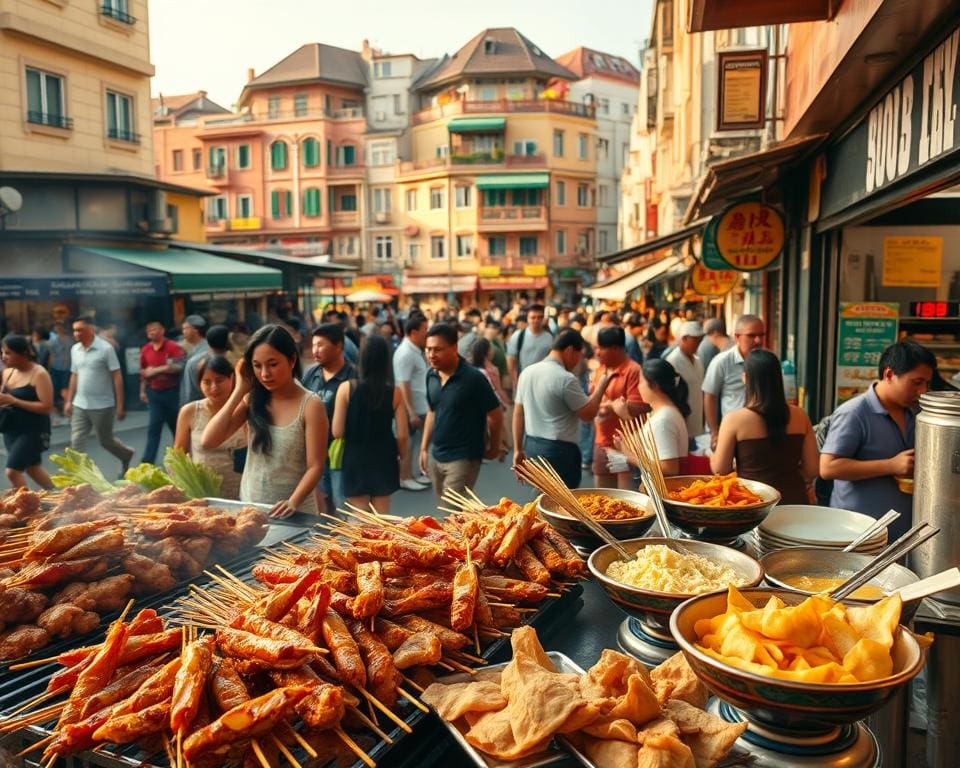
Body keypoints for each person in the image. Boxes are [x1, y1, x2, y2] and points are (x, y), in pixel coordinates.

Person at [202, 324, 328, 517]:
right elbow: (209, 440)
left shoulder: (311, 405)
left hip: (296, 514)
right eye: (257, 366)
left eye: (273, 364)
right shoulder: (252, 399)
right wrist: (239, 390)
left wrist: (293, 502)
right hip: (251, 508)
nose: (264, 374)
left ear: (292, 360)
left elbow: (316, 465)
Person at [820, 341, 935, 538]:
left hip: (903, 532)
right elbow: (828, 468)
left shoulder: (915, 413)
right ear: (889, 374)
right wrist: (891, 465)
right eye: (916, 383)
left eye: (926, 383)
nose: (923, 391)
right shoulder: (854, 413)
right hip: (858, 534)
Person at [711, 349, 818, 504]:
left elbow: (720, 469)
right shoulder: (800, 416)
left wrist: (712, 456)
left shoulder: (733, 420)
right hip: (794, 501)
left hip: (753, 505)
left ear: (745, 378)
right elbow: (813, 469)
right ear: (778, 378)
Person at [513, 329, 613, 488]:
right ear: (569, 350)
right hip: (559, 451)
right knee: (563, 505)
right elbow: (588, 414)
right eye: (579, 356)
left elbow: (518, 413)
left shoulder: (527, 372)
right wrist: (602, 384)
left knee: (543, 498)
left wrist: (518, 449)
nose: (578, 362)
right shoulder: (565, 379)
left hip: (531, 445)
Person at [420, 323, 503, 498]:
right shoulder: (431, 375)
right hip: (436, 456)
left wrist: (494, 447)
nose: (431, 355)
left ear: (454, 348)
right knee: (445, 513)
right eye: (428, 349)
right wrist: (424, 448)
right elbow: (432, 411)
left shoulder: (474, 379)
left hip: (463, 458)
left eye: (437, 349)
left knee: (451, 515)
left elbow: (495, 414)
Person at [332, 335, 408, 514]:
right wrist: (402, 457)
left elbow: (337, 431)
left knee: (360, 522)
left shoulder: (346, 388)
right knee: (382, 522)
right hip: (384, 459)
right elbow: (403, 435)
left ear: (362, 359)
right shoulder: (395, 393)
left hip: (355, 458)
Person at [65, 316, 134, 476]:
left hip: (102, 406)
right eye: (74, 330)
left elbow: (117, 376)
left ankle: (126, 454)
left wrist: (120, 406)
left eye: (80, 330)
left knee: (106, 441)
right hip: (80, 404)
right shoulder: (75, 349)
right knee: (76, 442)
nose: (76, 333)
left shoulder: (105, 349)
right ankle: (79, 478)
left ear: (90, 329)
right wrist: (69, 400)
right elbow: (74, 375)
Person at [174, 354, 246, 499]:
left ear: (232, 378)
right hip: (203, 494)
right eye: (206, 382)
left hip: (242, 491)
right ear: (199, 383)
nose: (214, 387)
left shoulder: (245, 408)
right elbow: (178, 456)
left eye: (219, 380)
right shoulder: (189, 412)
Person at [302, 323, 357, 510]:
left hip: (342, 455)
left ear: (338, 346)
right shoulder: (311, 374)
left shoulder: (354, 376)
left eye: (320, 345)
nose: (315, 350)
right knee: (323, 508)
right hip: (314, 453)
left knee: (344, 506)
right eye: (313, 345)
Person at [591, 327, 646, 488]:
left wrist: (610, 407)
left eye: (601, 348)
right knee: (600, 500)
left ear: (616, 349)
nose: (597, 353)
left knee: (626, 502)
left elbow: (640, 406)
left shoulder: (633, 370)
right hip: (601, 443)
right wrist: (608, 406)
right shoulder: (600, 369)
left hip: (625, 448)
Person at [615, 358, 689, 477]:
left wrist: (630, 456)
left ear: (654, 385)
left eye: (640, 382)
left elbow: (670, 468)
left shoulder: (663, 420)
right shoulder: (662, 413)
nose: (638, 387)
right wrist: (625, 415)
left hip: (662, 492)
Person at [702, 314, 766, 449]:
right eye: (751, 335)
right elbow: (709, 396)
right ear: (737, 337)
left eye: (761, 335)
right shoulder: (722, 362)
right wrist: (714, 432)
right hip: (734, 434)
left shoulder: (769, 360)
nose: (758, 340)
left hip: (764, 432)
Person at [0, 334, 53, 489]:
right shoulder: (7, 373)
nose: (4, 357)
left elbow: (46, 407)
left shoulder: (39, 374)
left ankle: (29, 507)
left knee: (12, 472)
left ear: (23, 353)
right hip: (11, 429)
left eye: (8, 353)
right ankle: (65, 498)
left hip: (33, 431)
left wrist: (14, 401)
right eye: (2, 352)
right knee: (33, 468)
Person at [393, 315, 431, 490]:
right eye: (425, 330)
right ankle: (404, 477)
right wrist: (411, 412)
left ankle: (411, 474)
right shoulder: (405, 353)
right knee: (407, 443)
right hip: (412, 407)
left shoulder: (414, 350)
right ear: (414, 332)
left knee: (414, 442)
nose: (427, 333)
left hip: (420, 404)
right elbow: (403, 384)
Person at [139, 321, 185, 465]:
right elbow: (143, 372)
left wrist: (157, 370)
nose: (151, 332)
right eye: (149, 330)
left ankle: (183, 458)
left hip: (172, 393)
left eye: (154, 329)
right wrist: (142, 391)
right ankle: (148, 462)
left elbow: (178, 367)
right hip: (154, 393)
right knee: (154, 428)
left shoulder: (172, 347)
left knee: (176, 428)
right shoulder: (145, 349)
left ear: (162, 330)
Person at [665, 321, 706, 442]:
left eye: (700, 340)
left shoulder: (698, 361)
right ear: (684, 338)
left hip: (697, 420)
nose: (698, 344)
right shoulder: (673, 361)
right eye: (695, 340)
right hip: (682, 421)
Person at [506, 304, 553, 392]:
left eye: (539, 317)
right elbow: (511, 360)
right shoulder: (519, 336)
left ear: (543, 319)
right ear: (528, 319)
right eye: (533, 317)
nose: (536, 320)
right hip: (523, 383)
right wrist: (515, 380)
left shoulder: (549, 338)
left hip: (543, 384)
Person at [179, 315, 209, 404]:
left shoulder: (206, 349)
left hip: (198, 399)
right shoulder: (186, 347)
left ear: (195, 330)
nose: (183, 332)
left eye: (186, 328)